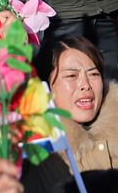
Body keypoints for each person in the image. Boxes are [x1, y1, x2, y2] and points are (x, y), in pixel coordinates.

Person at [47, 37, 118, 172]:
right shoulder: (41, 153)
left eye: (93, 74)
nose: (85, 85)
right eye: (71, 76)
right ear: (48, 86)